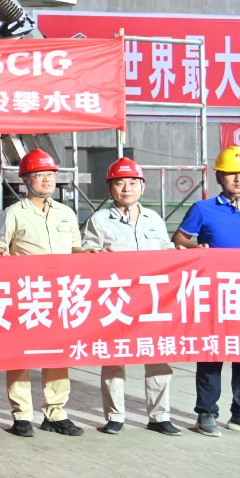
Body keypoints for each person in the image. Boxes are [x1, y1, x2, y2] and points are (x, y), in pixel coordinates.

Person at [174, 145, 240, 438]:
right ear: (219, 177)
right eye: (231, 174)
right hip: (215, 295)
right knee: (212, 353)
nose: (238, 179)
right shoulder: (203, 208)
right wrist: (196, 247)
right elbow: (179, 237)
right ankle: (206, 413)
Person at [83, 156, 180, 436]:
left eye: (133, 183)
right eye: (120, 183)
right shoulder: (99, 221)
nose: (127, 188)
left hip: (153, 300)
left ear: (142, 187)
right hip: (117, 301)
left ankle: (160, 416)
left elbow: (166, 250)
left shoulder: (154, 219)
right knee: (114, 357)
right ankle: (115, 416)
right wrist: (98, 255)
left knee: (159, 357)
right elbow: (86, 255)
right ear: (110, 187)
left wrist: (183, 256)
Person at [0, 148, 86, 437]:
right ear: (25, 180)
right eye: (39, 175)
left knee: (58, 353)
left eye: (50, 175)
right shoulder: (13, 213)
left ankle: (55, 413)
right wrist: (0, 254)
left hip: (61, 295)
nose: (47, 180)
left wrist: (92, 256)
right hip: (27, 295)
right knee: (21, 354)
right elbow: (0, 247)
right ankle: (22, 415)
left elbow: (76, 248)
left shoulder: (66, 213)